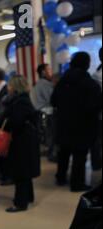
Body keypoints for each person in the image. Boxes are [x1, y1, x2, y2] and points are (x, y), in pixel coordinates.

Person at [51, 52, 102, 192]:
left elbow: (53, 101)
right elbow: (95, 105)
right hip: (83, 126)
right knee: (80, 156)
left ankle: (60, 178)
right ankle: (76, 183)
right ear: (86, 64)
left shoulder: (62, 81)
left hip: (63, 124)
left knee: (64, 153)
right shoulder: (90, 83)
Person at [0, 75, 41, 212]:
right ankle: (28, 197)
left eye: (9, 85)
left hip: (21, 141)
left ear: (14, 87)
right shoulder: (23, 100)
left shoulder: (19, 102)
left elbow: (15, 121)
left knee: (20, 172)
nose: (8, 87)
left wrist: (0, 120)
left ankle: (20, 203)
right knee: (25, 171)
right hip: (26, 139)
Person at [33, 63, 56, 161]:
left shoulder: (39, 84)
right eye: (49, 70)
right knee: (51, 136)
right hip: (47, 113)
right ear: (43, 72)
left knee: (49, 136)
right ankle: (53, 155)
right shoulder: (44, 84)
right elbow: (52, 99)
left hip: (43, 113)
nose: (51, 72)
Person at [91, 48, 102, 171]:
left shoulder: (96, 75)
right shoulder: (96, 75)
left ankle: (97, 164)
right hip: (99, 115)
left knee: (97, 142)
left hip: (98, 115)